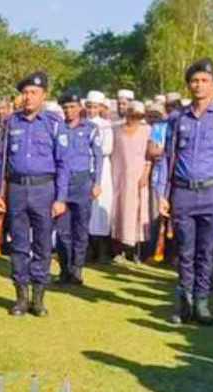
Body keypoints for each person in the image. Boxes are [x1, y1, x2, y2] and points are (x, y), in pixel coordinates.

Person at [158, 58, 213, 326]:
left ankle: (203, 303)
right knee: (184, 251)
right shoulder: (177, 118)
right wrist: (162, 193)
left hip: (212, 194)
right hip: (183, 194)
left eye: (204, 80)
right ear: (188, 85)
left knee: (206, 252)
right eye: (194, 80)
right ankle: (185, 303)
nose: (199, 85)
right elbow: (167, 159)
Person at [0, 71, 68, 317]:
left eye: (33, 93)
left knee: (43, 245)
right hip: (17, 189)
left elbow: (64, 163)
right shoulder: (10, 122)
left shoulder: (54, 123)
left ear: (44, 95)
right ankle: (21, 297)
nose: (28, 97)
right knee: (19, 245)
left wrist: (61, 198)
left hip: (44, 189)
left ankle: (38, 297)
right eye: (24, 93)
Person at [55, 91, 102, 284]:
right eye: (65, 107)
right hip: (62, 185)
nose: (68, 111)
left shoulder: (91, 128)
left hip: (83, 183)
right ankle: (64, 269)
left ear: (80, 107)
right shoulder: (57, 128)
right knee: (62, 231)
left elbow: (98, 157)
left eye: (72, 107)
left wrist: (97, 183)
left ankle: (77, 270)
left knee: (81, 230)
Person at [111, 101, 152, 261]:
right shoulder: (116, 129)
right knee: (120, 211)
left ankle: (135, 251)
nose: (133, 118)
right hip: (119, 175)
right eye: (131, 114)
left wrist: (145, 174)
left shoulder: (147, 130)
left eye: (137, 116)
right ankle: (119, 250)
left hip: (138, 176)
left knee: (137, 211)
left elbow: (149, 155)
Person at [85, 91, 115, 262]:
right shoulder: (82, 124)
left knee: (102, 206)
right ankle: (88, 248)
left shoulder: (106, 125)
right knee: (87, 209)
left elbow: (107, 148)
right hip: (85, 168)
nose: (91, 110)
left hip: (102, 169)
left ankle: (103, 250)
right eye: (89, 107)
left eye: (94, 107)